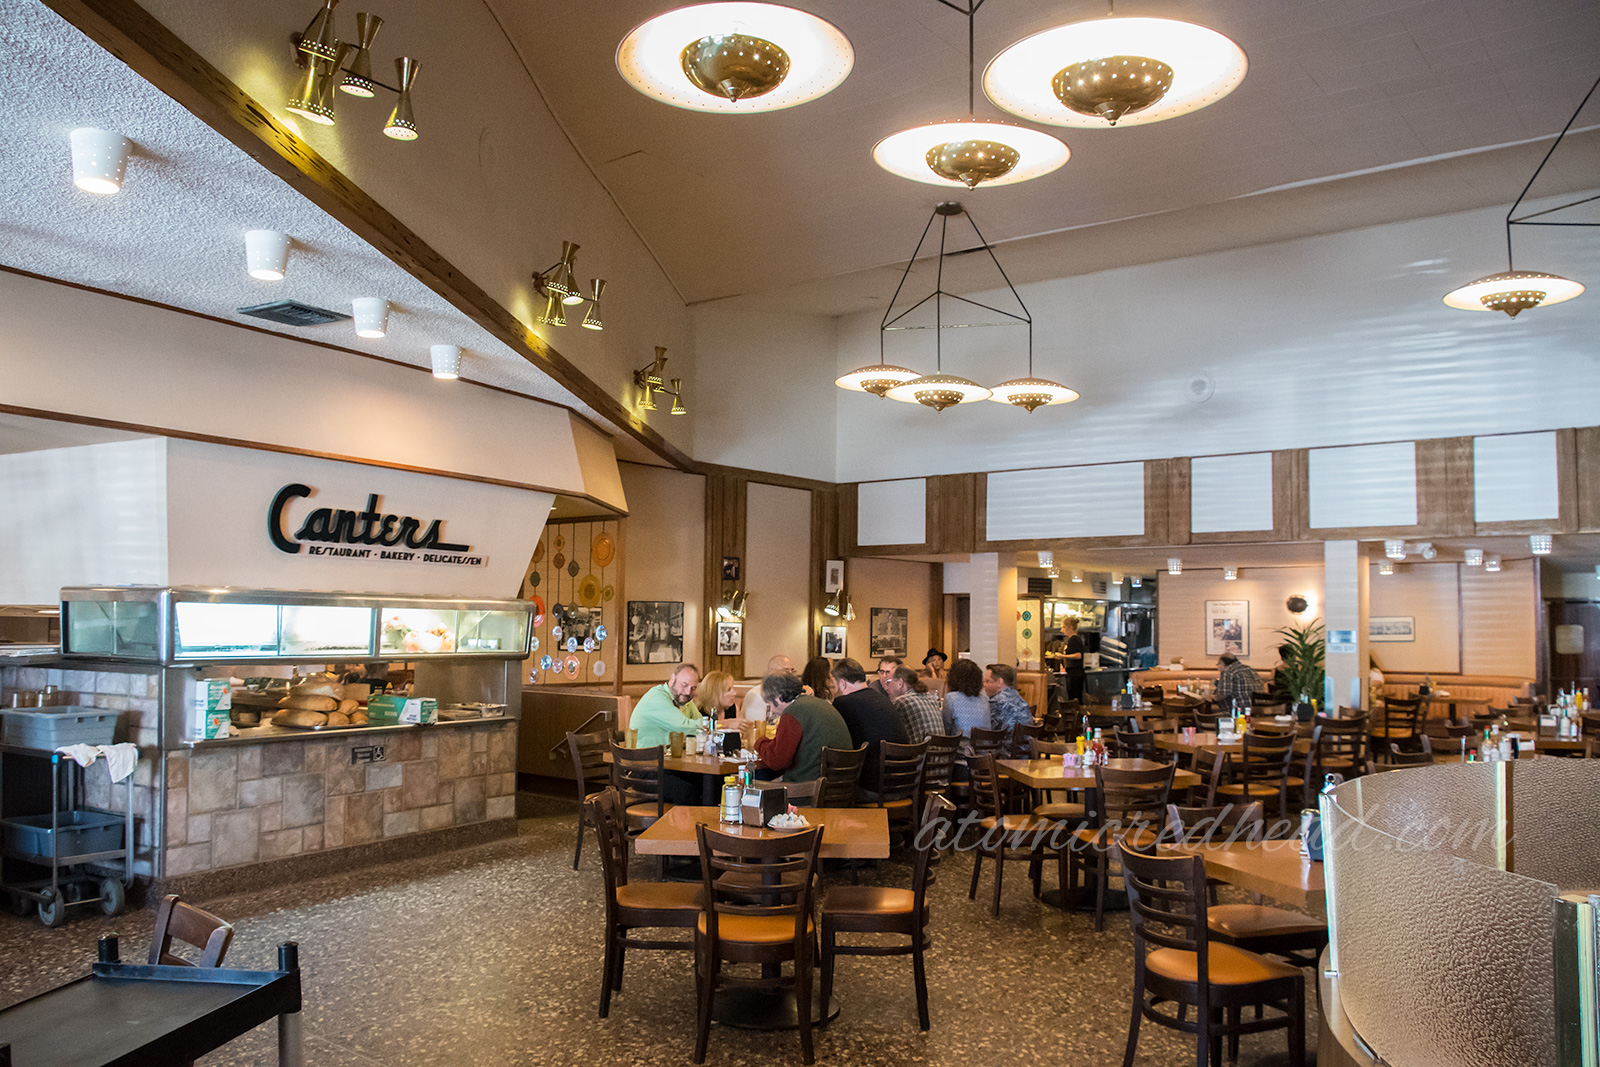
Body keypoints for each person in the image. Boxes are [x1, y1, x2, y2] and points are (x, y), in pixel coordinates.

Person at [753, 671, 852, 783]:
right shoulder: (821, 704)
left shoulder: (792, 713)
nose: (772, 709)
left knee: (754, 782)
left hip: (811, 788)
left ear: (778, 697)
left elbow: (777, 761)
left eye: (769, 704)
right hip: (841, 785)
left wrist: (759, 742)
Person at [626, 663, 702, 804]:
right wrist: (721, 724)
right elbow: (684, 727)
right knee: (687, 792)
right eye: (684, 685)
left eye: (693, 688)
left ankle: (702, 825)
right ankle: (679, 825)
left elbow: (699, 723)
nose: (687, 692)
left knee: (709, 783)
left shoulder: (683, 700)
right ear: (672, 679)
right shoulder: (657, 698)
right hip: (643, 771)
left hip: (666, 766)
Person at [831, 657, 908, 794]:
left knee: (830, 791)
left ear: (842, 683)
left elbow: (839, 744)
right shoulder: (882, 698)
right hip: (904, 784)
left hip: (874, 790)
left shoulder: (842, 702)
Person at [884, 665, 950, 743]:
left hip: (919, 753)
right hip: (943, 753)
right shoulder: (932, 698)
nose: (886, 687)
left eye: (888, 682)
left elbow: (892, 735)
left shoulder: (902, 701)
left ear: (900, 683)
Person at [944, 657, 989, 756]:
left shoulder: (951, 698)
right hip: (984, 758)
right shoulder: (985, 700)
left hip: (960, 757)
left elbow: (945, 731)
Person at [739, 654, 794, 722]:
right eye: (786, 670)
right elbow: (757, 729)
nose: (791, 675)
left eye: (792, 671)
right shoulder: (756, 695)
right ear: (771, 672)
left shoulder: (791, 693)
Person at [984, 662, 1033, 733]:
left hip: (1005, 743)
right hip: (1026, 742)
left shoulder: (997, 702)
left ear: (999, 682)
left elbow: (988, 730)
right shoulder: (1018, 697)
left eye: (987, 681)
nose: (984, 685)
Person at [1059, 617, 1086, 703]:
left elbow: (1078, 655)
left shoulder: (1074, 639)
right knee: (1074, 697)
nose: (1062, 630)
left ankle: (1077, 715)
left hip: (1075, 674)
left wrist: (1062, 656)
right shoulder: (1071, 640)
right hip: (1073, 674)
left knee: (1075, 699)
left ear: (1070, 628)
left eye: (1063, 627)